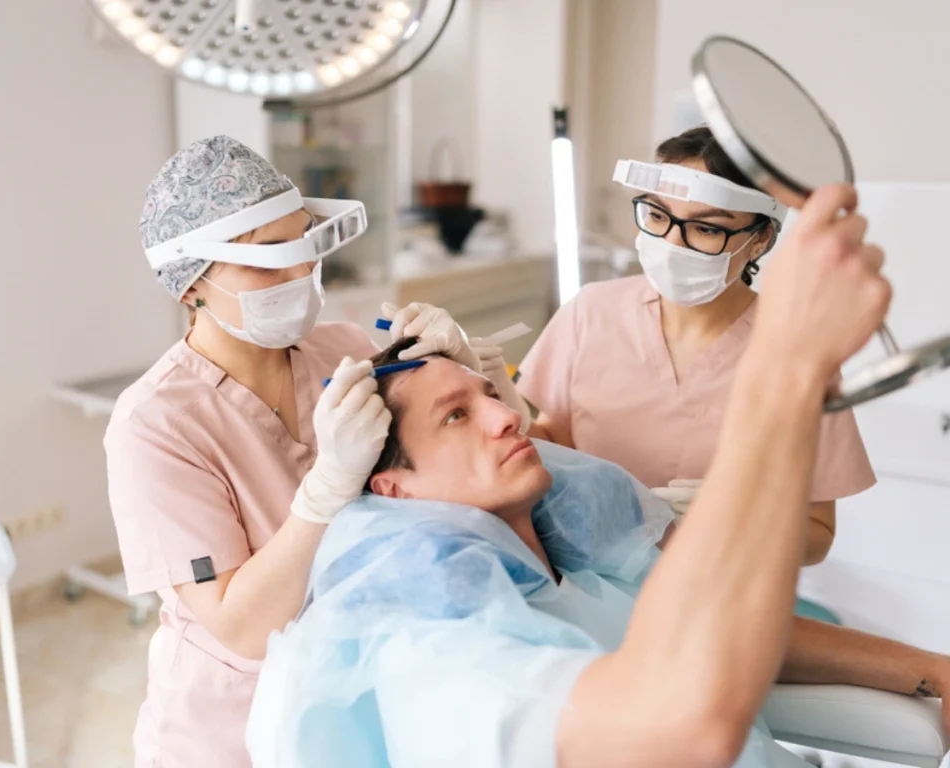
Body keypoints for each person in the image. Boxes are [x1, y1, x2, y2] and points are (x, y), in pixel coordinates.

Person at [249, 304, 948, 767]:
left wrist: (934, 669)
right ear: (393, 487)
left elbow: (729, 632)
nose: (506, 418)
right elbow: (675, 725)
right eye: (456, 417)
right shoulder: (444, 646)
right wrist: (776, 396)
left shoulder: (582, 572)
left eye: (489, 394)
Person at [104, 135, 392, 767]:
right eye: (267, 260)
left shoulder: (345, 347)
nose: (299, 275)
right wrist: (326, 491)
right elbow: (239, 623)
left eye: (305, 247)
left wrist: (470, 368)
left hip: (354, 700)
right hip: (231, 731)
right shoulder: (155, 424)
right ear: (190, 287)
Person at [509, 126, 874, 566]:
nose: (671, 244)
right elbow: (555, 444)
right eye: (658, 216)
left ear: (760, 239)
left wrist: (744, 522)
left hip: (718, 592)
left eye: (705, 228)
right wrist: (489, 391)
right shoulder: (593, 312)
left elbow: (818, 533)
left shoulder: (797, 352)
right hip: (589, 575)